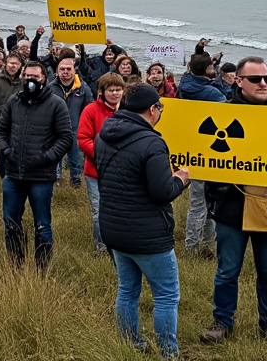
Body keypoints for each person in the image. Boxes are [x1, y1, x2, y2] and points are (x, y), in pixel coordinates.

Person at [200, 56, 267, 347]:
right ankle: (222, 322)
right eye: (256, 79)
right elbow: (207, 161)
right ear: (239, 81)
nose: (264, 84)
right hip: (232, 208)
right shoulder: (223, 114)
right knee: (228, 270)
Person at [95, 84, 189, 359]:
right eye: (160, 107)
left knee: (127, 290)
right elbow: (162, 191)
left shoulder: (104, 134)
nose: (160, 112)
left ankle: (129, 344)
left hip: (113, 228)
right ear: (152, 110)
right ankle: (169, 352)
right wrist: (181, 179)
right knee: (166, 295)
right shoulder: (153, 143)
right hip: (148, 233)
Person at [0, 60, 72, 271]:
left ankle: (41, 269)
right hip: (13, 174)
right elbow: (0, 131)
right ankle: (16, 266)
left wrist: (47, 157)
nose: (30, 81)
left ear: (44, 79)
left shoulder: (56, 104)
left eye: (35, 77)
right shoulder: (13, 101)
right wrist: (7, 152)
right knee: (11, 223)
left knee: (43, 225)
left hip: (41, 176)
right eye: (27, 76)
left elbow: (65, 138)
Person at [176, 52, 225, 256]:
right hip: (210, 150)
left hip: (191, 149)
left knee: (199, 202)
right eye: (211, 67)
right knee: (206, 204)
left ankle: (196, 246)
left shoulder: (184, 85)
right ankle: (199, 246)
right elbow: (226, 107)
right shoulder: (212, 94)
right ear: (205, 70)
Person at [78, 72, 124, 253]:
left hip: (121, 172)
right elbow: (83, 139)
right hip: (95, 172)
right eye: (111, 90)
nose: (115, 93)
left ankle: (119, 245)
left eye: (119, 90)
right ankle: (101, 247)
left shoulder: (127, 110)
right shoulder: (90, 110)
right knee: (99, 212)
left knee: (119, 211)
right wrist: (103, 156)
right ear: (102, 92)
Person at [49, 49, 93, 188]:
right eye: (62, 69)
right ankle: (56, 179)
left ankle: (76, 179)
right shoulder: (50, 88)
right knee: (55, 155)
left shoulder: (83, 88)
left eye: (68, 69)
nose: (65, 72)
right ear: (57, 71)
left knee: (76, 155)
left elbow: (89, 107)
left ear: (74, 70)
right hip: (54, 128)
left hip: (76, 128)